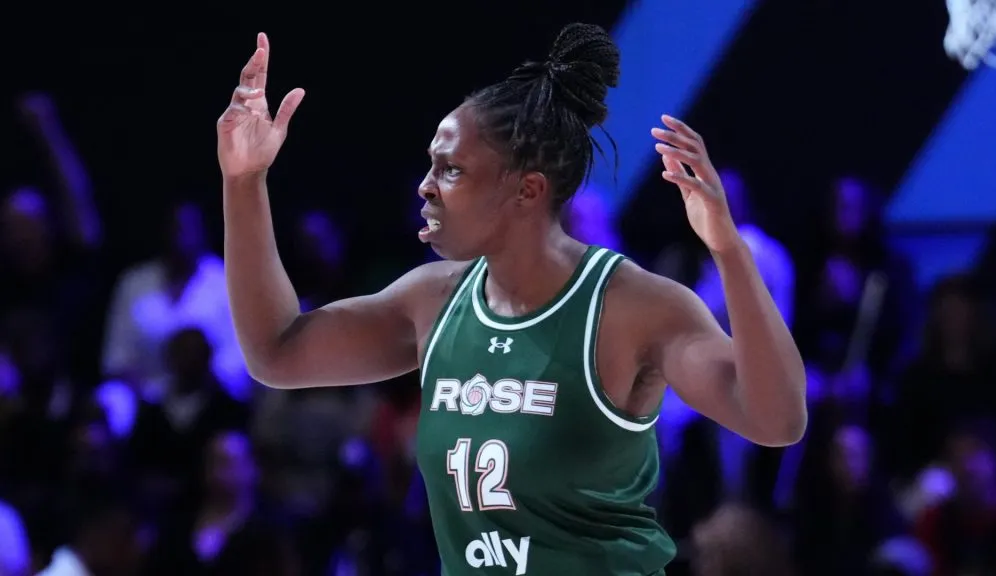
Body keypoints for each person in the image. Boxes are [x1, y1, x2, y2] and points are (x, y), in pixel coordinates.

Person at [217, 24, 806, 575]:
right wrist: (243, 181)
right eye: (431, 166)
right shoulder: (433, 300)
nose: (425, 186)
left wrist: (728, 249)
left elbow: (776, 420)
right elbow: (276, 352)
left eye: (451, 170)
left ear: (526, 190)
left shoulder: (631, 307)